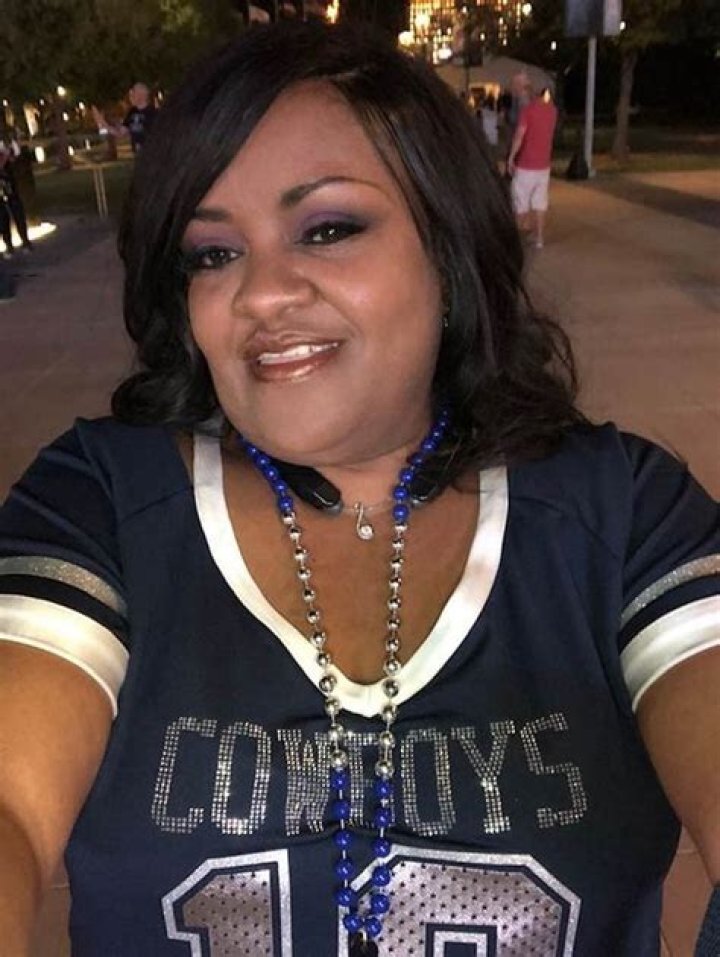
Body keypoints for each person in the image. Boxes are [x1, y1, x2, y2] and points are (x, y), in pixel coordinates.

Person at [0, 22, 718, 957]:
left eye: (329, 229)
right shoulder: (103, 501)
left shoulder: (620, 514)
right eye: (212, 253)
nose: (260, 293)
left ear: (448, 251)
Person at [508, 86, 558, 249]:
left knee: (520, 202)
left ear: (526, 97)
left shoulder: (527, 111)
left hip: (526, 165)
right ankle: (539, 239)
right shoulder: (552, 111)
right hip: (544, 165)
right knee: (540, 203)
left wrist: (511, 157)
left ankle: (517, 239)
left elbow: (519, 136)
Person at [93, 82, 158, 155]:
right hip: (139, 155)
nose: (130, 97)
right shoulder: (132, 112)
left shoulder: (154, 114)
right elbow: (120, 133)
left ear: (142, 95)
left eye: (133, 93)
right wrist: (103, 123)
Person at [0, 141, 33, 257]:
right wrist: (6, 156)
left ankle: (25, 242)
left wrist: (9, 155)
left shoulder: (6, 144)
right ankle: (9, 246)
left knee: (18, 215)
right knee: (3, 220)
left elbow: (15, 159)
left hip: (10, 188)